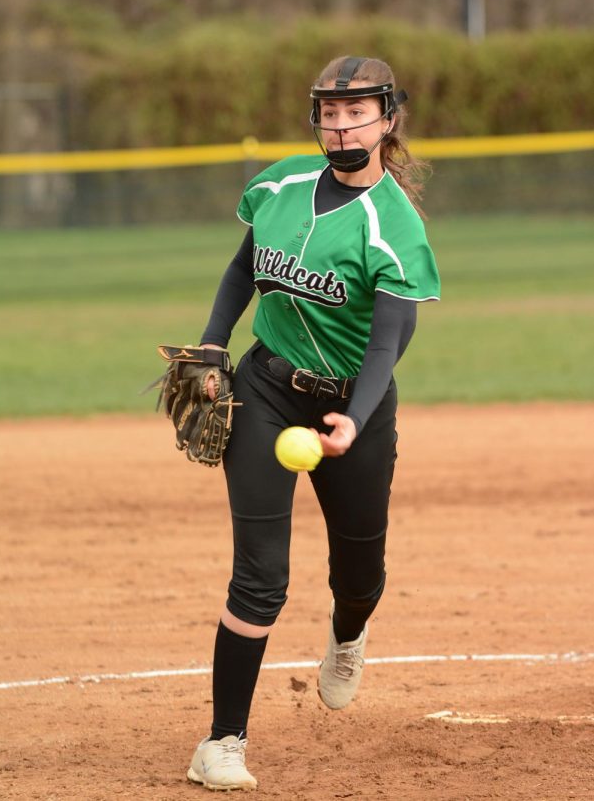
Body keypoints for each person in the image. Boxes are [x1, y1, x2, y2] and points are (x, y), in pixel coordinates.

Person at [186, 55, 441, 791]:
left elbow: (389, 343)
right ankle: (221, 742)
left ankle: (348, 634)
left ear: (387, 120)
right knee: (259, 578)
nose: (340, 126)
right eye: (329, 113)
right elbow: (244, 270)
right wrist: (213, 342)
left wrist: (353, 423)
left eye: (356, 112)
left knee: (358, 574)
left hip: (351, 403)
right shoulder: (280, 183)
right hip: (265, 389)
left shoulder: (392, 225)